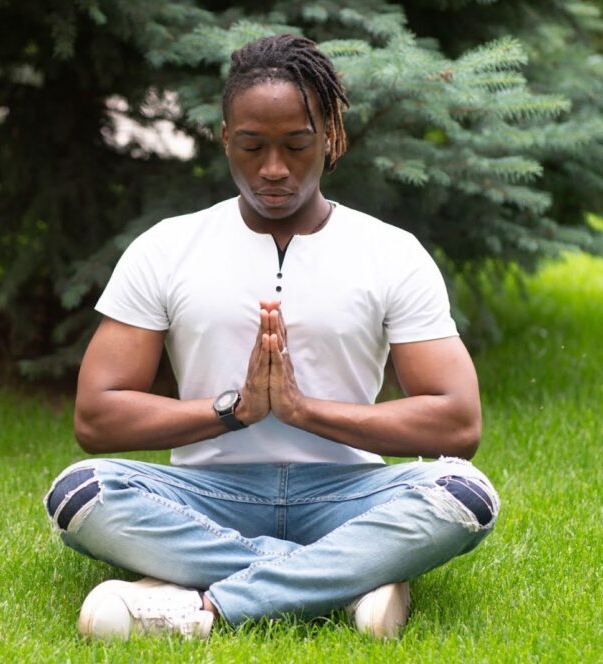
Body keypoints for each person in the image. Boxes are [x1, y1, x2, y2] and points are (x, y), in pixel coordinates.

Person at [44, 33, 499, 641]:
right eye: (253, 146)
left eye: (297, 145)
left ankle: (201, 602)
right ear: (224, 138)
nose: (274, 168)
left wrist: (305, 412)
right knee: (80, 491)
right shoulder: (167, 247)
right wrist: (237, 411)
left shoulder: (391, 252)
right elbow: (96, 418)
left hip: (348, 492)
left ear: (332, 139)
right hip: (204, 495)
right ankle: (347, 580)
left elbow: (458, 423)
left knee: (463, 493)